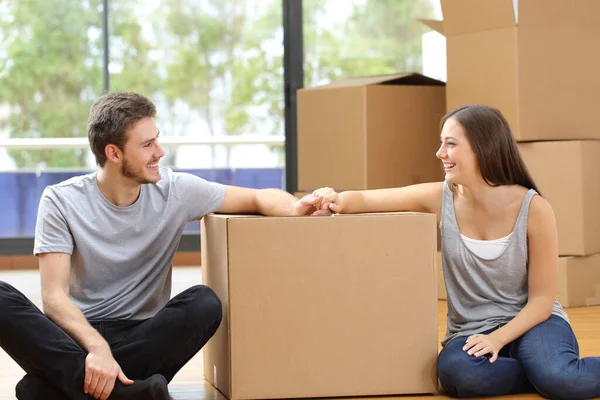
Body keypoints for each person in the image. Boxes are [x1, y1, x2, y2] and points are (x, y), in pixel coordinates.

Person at [0, 92, 327, 400]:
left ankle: (60, 387)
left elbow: (256, 197)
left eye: (157, 139)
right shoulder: (60, 200)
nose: (159, 151)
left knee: (204, 303)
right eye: (147, 144)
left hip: (144, 335)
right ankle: (125, 393)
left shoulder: (176, 190)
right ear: (114, 153)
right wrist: (96, 347)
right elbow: (54, 299)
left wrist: (296, 208)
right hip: (78, 335)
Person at [312, 104, 600, 399]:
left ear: (483, 148)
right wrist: (335, 200)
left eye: (450, 144)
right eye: (441, 143)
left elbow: (541, 300)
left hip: (534, 323)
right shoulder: (440, 198)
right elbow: (366, 199)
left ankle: (546, 371)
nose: (440, 153)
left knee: (563, 380)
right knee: (458, 373)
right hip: (472, 330)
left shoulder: (535, 208)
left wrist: (498, 339)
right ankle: (537, 373)